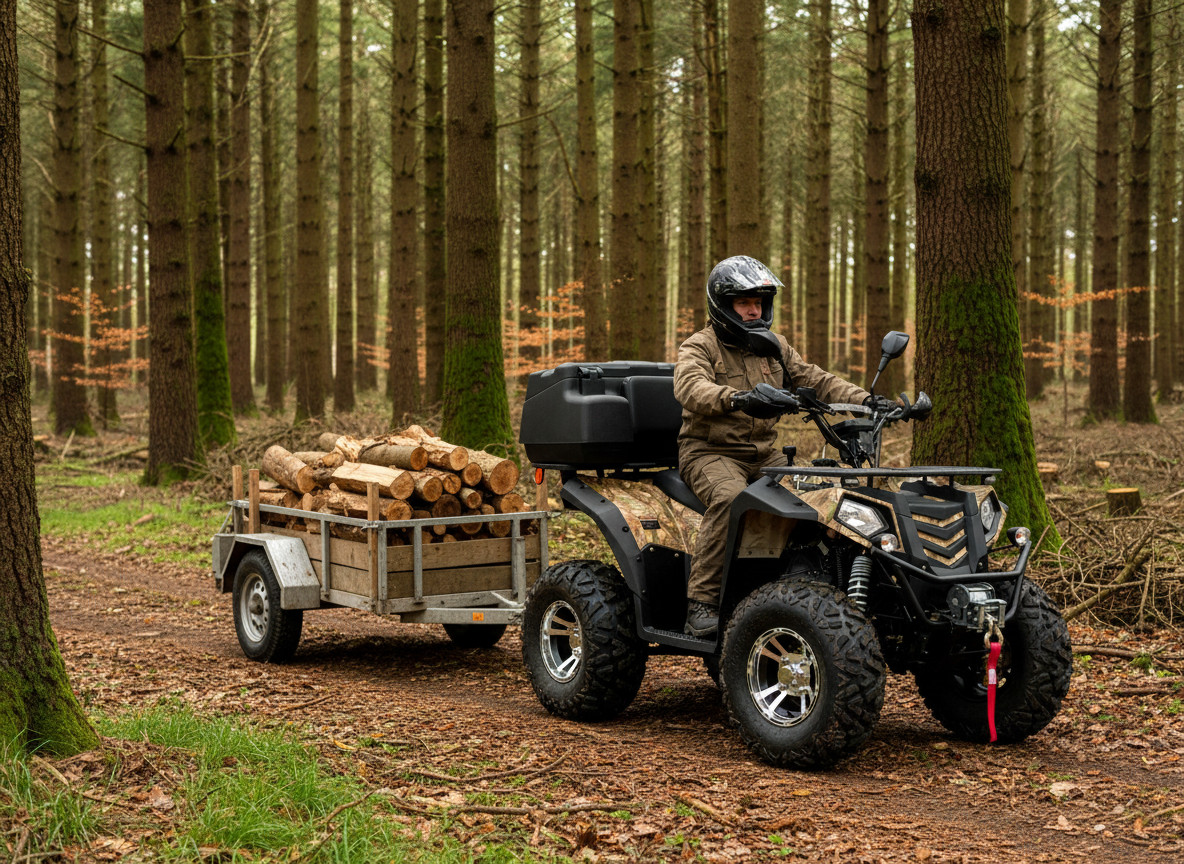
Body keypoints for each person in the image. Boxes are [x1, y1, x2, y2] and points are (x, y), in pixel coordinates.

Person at [673, 255, 887, 638]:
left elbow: (814, 379)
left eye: (759, 301)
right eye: (743, 302)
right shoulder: (700, 346)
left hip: (765, 453)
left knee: (824, 494)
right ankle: (701, 603)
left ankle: (807, 585)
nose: (753, 310)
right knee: (730, 498)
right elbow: (690, 387)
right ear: (723, 305)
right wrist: (739, 399)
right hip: (710, 452)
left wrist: (868, 401)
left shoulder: (774, 346)